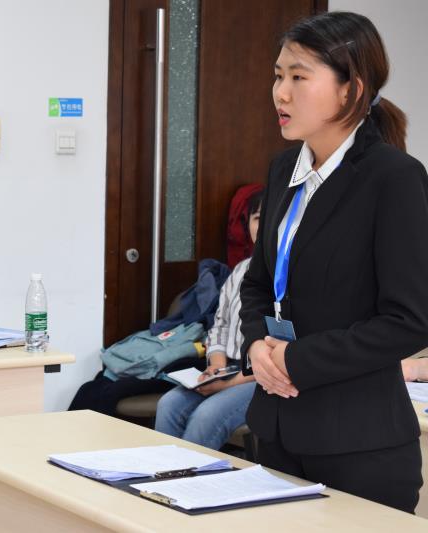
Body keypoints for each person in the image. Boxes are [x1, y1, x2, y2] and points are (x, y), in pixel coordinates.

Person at [239, 12, 428, 513]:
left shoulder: (394, 178)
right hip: (276, 431)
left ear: (351, 89)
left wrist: (296, 361)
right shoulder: (284, 169)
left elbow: (409, 320)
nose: (280, 93)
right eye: (278, 76)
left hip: (359, 446)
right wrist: (257, 345)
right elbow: (258, 283)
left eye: (299, 77)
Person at [155, 191, 262, 450]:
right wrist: (216, 368)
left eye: (273, 218)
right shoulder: (241, 270)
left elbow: (282, 354)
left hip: (262, 380)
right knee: (168, 405)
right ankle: (162, 473)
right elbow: (220, 324)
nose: (263, 226)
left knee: (206, 416)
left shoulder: (291, 275)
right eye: (258, 218)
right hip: (229, 369)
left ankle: (186, 477)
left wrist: (229, 383)